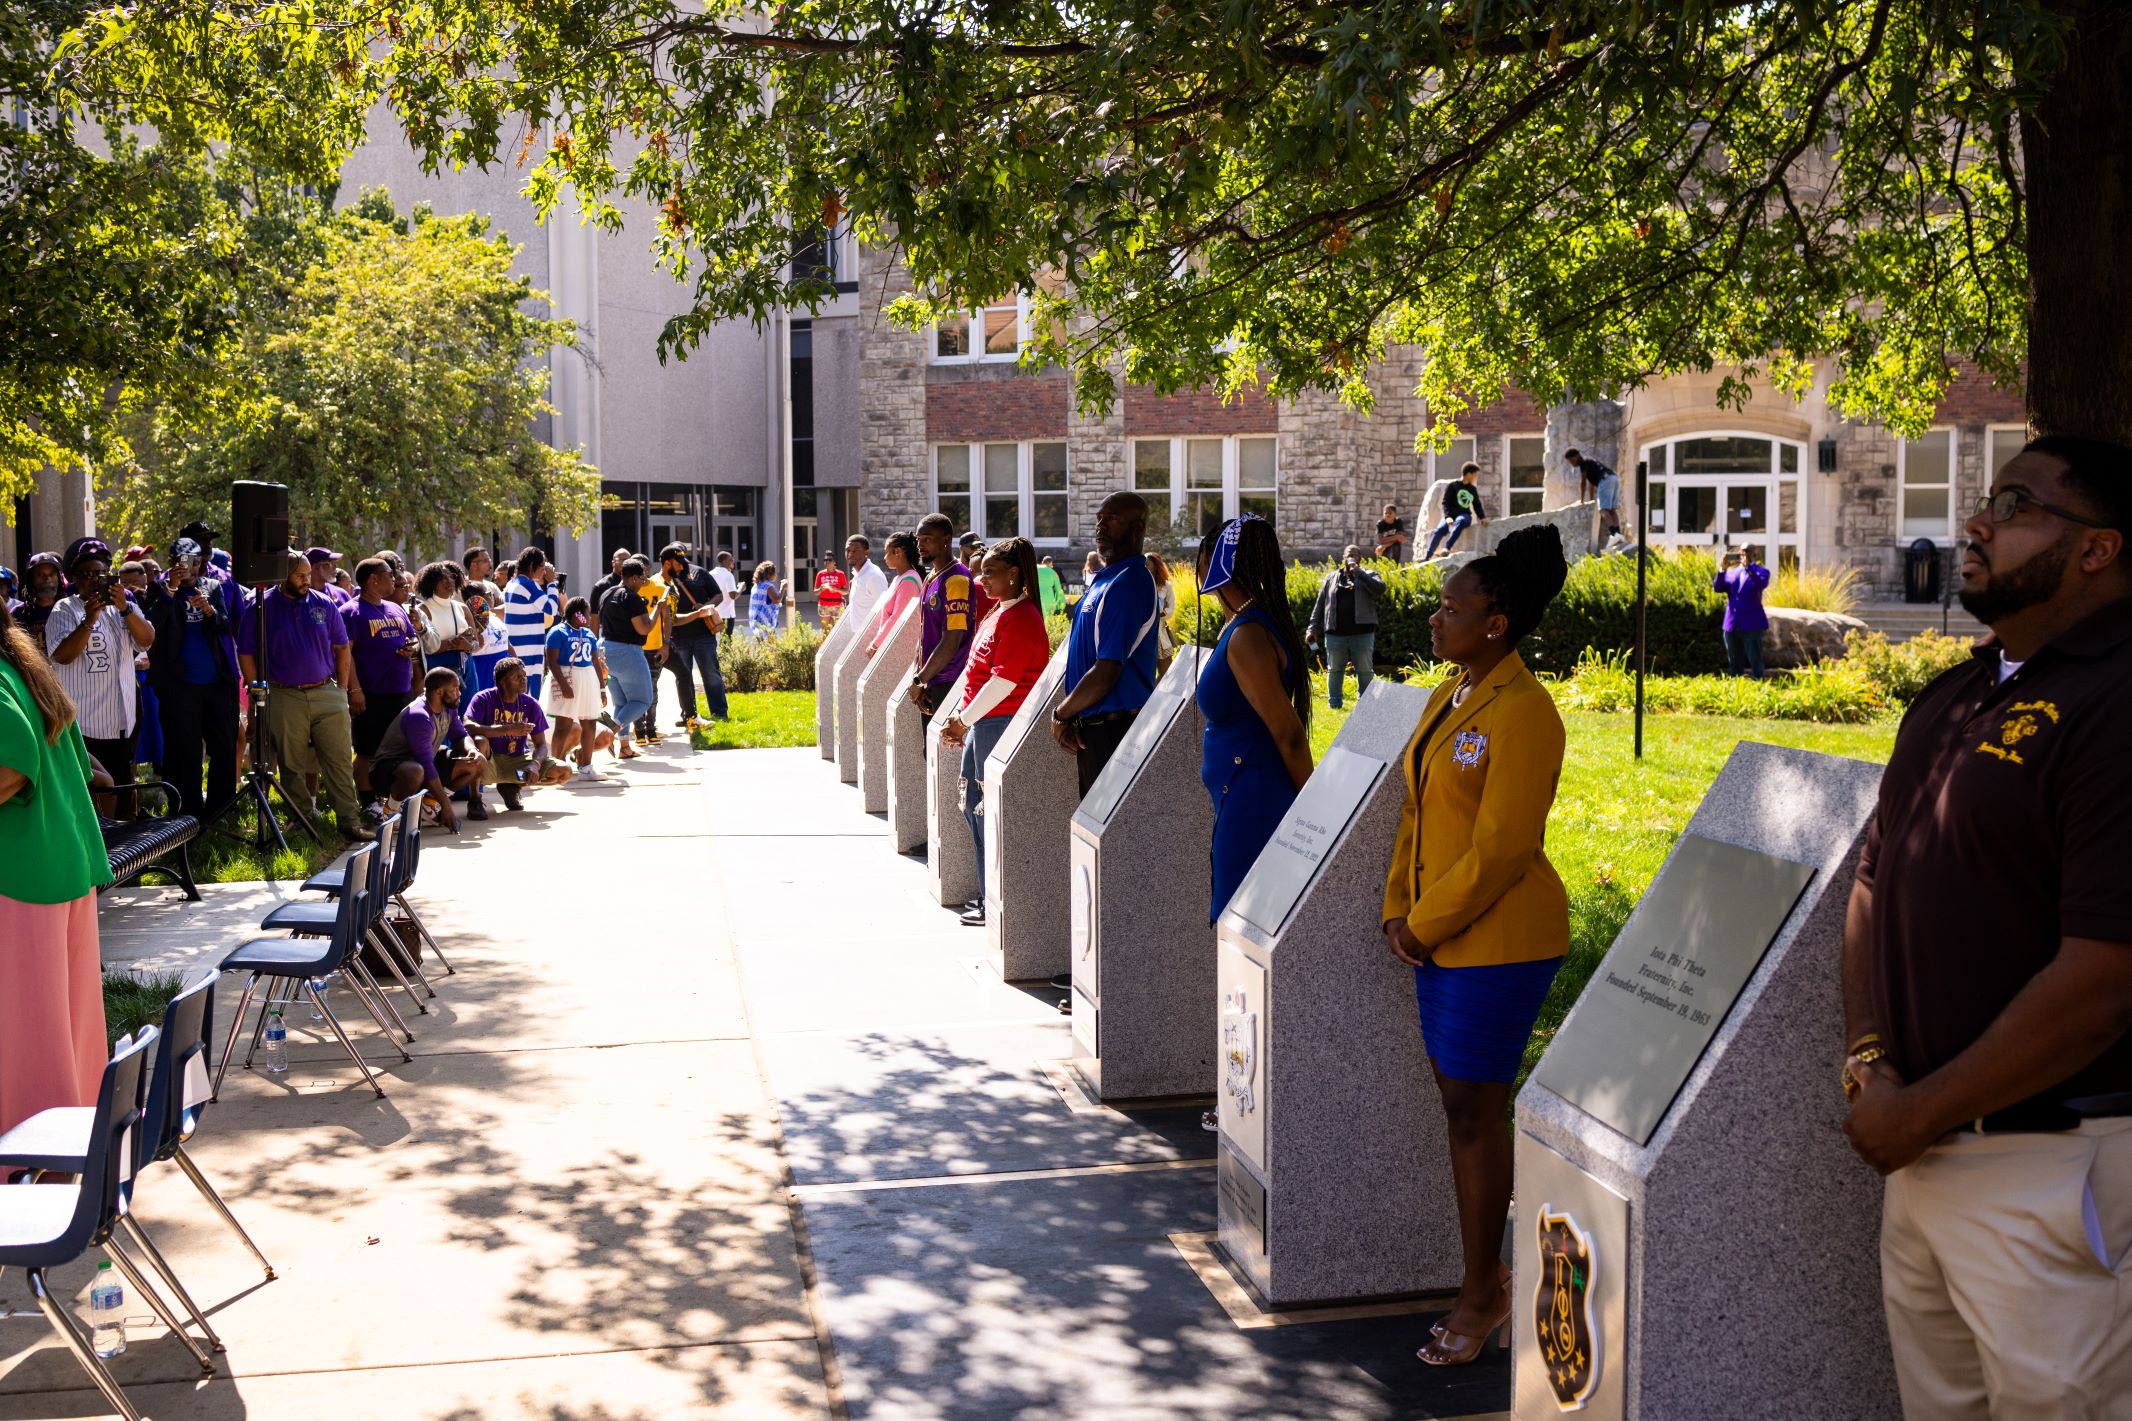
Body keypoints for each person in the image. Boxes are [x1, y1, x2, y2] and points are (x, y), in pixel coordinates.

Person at [1839, 435, 2132, 1417]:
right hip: (1918, 1155)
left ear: (2096, 549)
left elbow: (2102, 978)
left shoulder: (2115, 699)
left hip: (2050, 1168)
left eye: (2012, 504)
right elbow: (1873, 880)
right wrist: (1869, 1062)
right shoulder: (1954, 694)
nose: (1973, 523)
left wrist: (1917, 1109)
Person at [1381, 525, 1571, 1367]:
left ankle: (1482, 1291)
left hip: (1499, 942)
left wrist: (1422, 925)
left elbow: (1502, 850)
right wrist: (1399, 906)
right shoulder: (1449, 694)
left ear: (1496, 623)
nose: (1435, 618)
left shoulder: (1526, 711)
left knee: (1473, 1112)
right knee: (1462, 1110)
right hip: (1441, 937)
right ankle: (1484, 1277)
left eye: (1450, 607)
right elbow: (1416, 811)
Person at [0, 597, 113, 1132]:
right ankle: (77, 1145)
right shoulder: (21, 667)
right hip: (58, 863)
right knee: (68, 1025)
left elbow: (11, 763)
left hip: (20, 874)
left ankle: (33, 1165)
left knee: (28, 1033)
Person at [1195, 516, 1313, 920]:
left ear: (1220, 564)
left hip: (1253, 797)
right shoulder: (1247, 624)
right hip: (1238, 792)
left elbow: (1289, 733)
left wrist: (1312, 810)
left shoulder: (1248, 634)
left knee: (1242, 919)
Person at [939, 537, 1050, 927]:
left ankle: (996, 903)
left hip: (1000, 724)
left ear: (1015, 574)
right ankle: (989, 898)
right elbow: (976, 675)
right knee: (972, 808)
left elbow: (1003, 682)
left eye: (990, 572)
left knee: (987, 813)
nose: (980, 578)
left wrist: (963, 721)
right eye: (980, 570)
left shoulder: (1022, 618)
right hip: (981, 724)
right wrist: (961, 719)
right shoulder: (997, 613)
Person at [236, 549, 372, 841]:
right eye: (300, 575)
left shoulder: (324, 603)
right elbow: (245, 651)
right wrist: (255, 686)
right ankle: (302, 819)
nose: (306, 580)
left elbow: (342, 647)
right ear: (282, 576)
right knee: (292, 763)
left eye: (308, 574)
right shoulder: (261, 607)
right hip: (284, 695)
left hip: (327, 691)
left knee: (338, 760)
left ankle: (349, 820)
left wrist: (342, 688)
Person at [1053, 493, 1160, 795]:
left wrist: (1061, 714)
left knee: (1111, 838)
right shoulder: (1104, 580)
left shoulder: (1129, 582)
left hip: (1115, 731)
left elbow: (1107, 671)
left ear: (1138, 528)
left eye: (1111, 519)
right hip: (1091, 728)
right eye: (1099, 519)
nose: (1100, 526)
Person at [45, 537, 155, 815]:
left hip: (122, 722)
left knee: (123, 798)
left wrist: (125, 608)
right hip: (85, 726)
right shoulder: (64, 609)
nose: (94, 580)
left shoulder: (123, 607)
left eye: (100, 573)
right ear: (75, 579)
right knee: (93, 806)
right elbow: (63, 655)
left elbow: (147, 639)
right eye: (87, 574)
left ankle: (127, 853)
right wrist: (88, 620)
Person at [141, 536, 239, 821]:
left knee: (223, 747)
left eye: (196, 562)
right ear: (172, 563)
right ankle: (188, 814)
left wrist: (209, 610)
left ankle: (220, 810)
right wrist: (169, 592)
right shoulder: (158, 589)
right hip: (178, 685)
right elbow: (149, 628)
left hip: (216, 683)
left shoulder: (213, 586)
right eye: (184, 562)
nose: (191, 568)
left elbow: (224, 625)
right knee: (185, 752)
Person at [342, 556, 420, 810]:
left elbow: (413, 640)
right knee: (367, 750)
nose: (395, 579)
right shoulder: (351, 612)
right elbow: (346, 655)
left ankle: (392, 801)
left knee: (402, 749)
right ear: (373, 580)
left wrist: (412, 649)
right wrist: (354, 690)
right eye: (389, 574)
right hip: (370, 694)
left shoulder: (396, 608)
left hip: (401, 692)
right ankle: (368, 804)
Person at [370, 666, 488, 829]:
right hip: (389, 770)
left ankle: (429, 805)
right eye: (455, 689)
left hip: (422, 764)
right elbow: (425, 764)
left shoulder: (449, 708)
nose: (459, 693)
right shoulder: (419, 716)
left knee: (477, 762)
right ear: (439, 692)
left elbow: (461, 735)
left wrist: (473, 751)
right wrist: (446, 805)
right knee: (416, 771)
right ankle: (389, 811)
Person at [464, 657, 564, 810]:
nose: (523, 680)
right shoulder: (483, 698)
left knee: (563, 772)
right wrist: (507, 729)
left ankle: (511, 787)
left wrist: (535, 765)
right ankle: (475, 800)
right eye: (517, 677)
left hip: (516, 759)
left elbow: (542, 745)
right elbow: (468, 725)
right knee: (480, 741)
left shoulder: (530, 704)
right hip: (489, 761)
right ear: (503, 682)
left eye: (524, 676)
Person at [905, 514, 972, 724]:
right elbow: (925, 634)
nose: (920, 545)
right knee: (930, 753)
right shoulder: (931, 576)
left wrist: (920, 679)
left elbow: (951, 639)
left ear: (945, 540)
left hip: (950, 680)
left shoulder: (956, 578)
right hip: (931, 679)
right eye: (918, 539)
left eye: (927, 539)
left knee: (943, 754)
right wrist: (921, 677)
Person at [658, 543, 728, 727]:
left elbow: (718, 595)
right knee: (683, 676)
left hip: (703, 634)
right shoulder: (662, 580)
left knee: (711, 674)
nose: (681, 564)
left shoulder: (699, 573)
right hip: (678, 636)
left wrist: (707, 606)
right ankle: (689, 715)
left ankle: (719, 712)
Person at [1308, 545, 1385, 709]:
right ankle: (1334, 704)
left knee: (1364, 670)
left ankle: (1365, 705)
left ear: (1360, 559)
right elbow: (1320, 605)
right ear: (1343, 557)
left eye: (1355, 554)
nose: (1351, 557)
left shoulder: (1369, 575)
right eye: (1348, 554)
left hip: (1362, 633)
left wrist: (1360, 574)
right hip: (1335, 633)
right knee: (1334, 669)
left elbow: (1380, 589)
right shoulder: (1330, 578)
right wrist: (1312, 629)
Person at [597, 558, 657, 761]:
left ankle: (624, 748)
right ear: (632, 578)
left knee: (622, 703)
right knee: (642, 700)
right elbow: (644, 628)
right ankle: (607, 732)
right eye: (642, 577)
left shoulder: (607, 592)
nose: (644, 582)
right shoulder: (631, 597)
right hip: (627, 652)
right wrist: (658, 610)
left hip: (605, 650)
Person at [544, 594, 611, 775]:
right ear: (577, 615)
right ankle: (555, 766)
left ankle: (586, 767)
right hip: (568, 678)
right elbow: (552, 661)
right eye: (587, 614)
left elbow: (596, 663)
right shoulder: (558, 632)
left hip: (588, 679)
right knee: (563, 725)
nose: (589, 618)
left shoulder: (588, 634)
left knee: (589, 723)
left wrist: (602, 688)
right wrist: (564, 684)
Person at [502, 547, 559, 699]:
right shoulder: (528, 585)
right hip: (529, 650)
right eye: (542, 566)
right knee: (529, 697)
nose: (544, 571)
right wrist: (552, 583)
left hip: (517, 648)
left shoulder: (512, 584)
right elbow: (552, 608)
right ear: (532, 565)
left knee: (516, 693)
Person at [416, 560, 480, 686]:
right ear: (431, 582)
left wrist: (469, 646)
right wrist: (453, 644)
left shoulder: (463, 608)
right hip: (439, 669)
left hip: (467, 667)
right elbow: (424, 648)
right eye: (443, 578)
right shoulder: (424, 610)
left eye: (452, 576)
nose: (449, 581)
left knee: (468, 705)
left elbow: (476, 644)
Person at [1714, 545, 1772, 678]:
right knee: (1734, 661)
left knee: (1755, 660)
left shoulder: (1762, 572)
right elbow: (1718, 587)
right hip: (1732, 623)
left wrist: (1748, 567)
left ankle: (1759, 686)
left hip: (1752, 624)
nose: (1744, 555)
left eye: (1748, 552)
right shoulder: (1731, 572)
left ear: (1754, 555)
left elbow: (1760, 584)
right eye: (1742, 552)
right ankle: (1736, 688)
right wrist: (1722, 568)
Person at [461, 547, 511, 696]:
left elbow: (504, 608)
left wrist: (489, 612)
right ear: (473, 564)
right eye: (485, 560)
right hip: (481, 668)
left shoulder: (492, 587)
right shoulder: (460, 588)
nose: (490, 564)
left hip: (501, 665)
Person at [866, 534, 924, 656]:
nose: (885, 557)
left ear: (897, 552)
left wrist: (875, 644)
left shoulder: (909, 581)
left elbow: (896, 618)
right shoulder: (899, 578)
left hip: (899, 650)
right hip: (891, 645)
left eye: (887, 553)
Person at [1425, 462, 1490, 559]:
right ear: (1468, 474)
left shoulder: (1472, 489)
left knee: (1461, 520)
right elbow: (1445, 503)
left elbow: (1477, 505)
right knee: (1439, 530)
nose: (1476, 478)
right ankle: (1427, 556)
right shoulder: (1453, 486)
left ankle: (1447, 548)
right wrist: (1448, 517)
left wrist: (1482, 517)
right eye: (1475, 475)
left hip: (1464, 515)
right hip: (1451, 515)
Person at [1566, 448, 1622, 551]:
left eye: (1572, 460)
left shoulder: (1583, 462)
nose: (1572, 463)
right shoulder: (1589, 461)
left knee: (1603, 510)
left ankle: (1614, 535)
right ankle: (1618, 534)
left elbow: (1583, 483)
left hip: (1605, 480)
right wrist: (1591, 501)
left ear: (1577, 456)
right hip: (1613, 478)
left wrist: (1582, 501)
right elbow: (1591, 484)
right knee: (1612, 510)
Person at [15, 553, 63, 643]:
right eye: (40, 575)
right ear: (31, 580)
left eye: (52, 574)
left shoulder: (70, 610)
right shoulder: (17, 614)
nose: (47, 579)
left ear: (59, 579)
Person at [845, 535, 888, 626]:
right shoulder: (857, 575)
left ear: (866, 552)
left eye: (855, 550)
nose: (850, 554)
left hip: (871, 637)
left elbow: (885, 611)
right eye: (848, 550)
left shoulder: (874, 576)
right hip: (857, 636)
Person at [1148, 552, 1179, 675]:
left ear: (1156, 566)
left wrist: (1161, 613)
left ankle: (1163, 693)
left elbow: (1171, 608)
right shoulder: (1140, 584)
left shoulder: (1166, 586)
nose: (1145, 567)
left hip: (1161, 634)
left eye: (1148, 564)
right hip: (1145, 635)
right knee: (1146, 674)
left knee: (1166, 674)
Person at [710, 550, 742, 640]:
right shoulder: (728, 575)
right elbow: (733, 596)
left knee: (712, 640)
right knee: (726, 641)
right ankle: (723, 654)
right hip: (727, 614)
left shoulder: (711, 573)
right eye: (731, 559)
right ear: (724, 562)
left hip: (713, 613)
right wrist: (741, 588)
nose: (733, 561)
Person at [747, 560, 783, 639]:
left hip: (756, 619)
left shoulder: (756, 586)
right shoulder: (768, 586)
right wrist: (783, 588)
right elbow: (776, 600)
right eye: (775, 572)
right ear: (770, 574)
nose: (776, 574)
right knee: (770, 646)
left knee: (762, 643)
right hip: (766, 622)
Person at [814, 551, 849, 628]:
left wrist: (836, 589)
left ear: (834, 562)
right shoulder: (820, 574)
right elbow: (815, 592)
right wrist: (820, 589)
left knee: (837, 630)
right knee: (825, 630)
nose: (827, 562)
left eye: (829, 560)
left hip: (838, 605)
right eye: (825, 560)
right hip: (824, 605)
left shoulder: (840, 574)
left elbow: (846, 591)